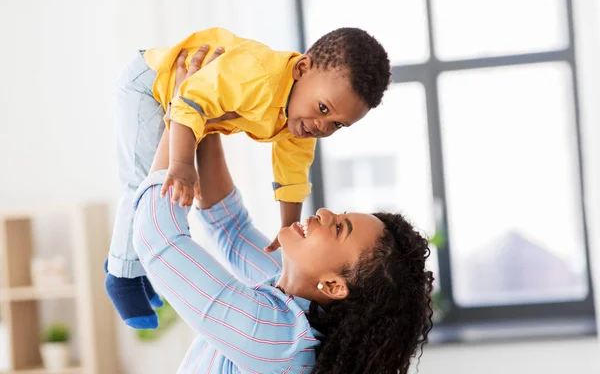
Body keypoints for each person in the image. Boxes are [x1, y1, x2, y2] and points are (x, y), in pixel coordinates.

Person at [130, 48, 433, 374]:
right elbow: (229, 226)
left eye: (338, 228)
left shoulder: (280, 344)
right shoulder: (292, 288)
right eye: (340, 215)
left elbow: (158, 240)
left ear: (333, 286)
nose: (325, 212)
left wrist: (179, 111)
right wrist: (202, 110)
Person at [105, 27, 392, 329]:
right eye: (323, 109)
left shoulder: (300, 119)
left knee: (154, 183)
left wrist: (286, 226)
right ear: (302, 69)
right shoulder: (258, 75)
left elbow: (293, 172)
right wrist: (181, 163)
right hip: (151, 85)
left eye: (338, 125)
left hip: (183, 105)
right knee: (144, 183)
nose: (323, 127)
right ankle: (121, 277)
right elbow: (189, 101)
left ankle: (129, 267)